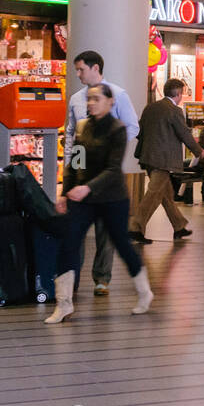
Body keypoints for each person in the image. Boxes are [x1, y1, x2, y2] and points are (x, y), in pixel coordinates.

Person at [46, 83, 152, 323]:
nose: (91, 103)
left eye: (96, 99)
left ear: (110, 102)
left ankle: (145, 292)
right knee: (69, 242)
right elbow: (76, 162)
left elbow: (114, 169)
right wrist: (65, 192)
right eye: (89, 99)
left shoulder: (117, 130)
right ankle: (63, 303)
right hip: (83, 199)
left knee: (122, 245)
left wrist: (88, 187)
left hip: (112, 198)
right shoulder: (83, 127)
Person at [65, 49, 140, 293]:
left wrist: (113, 149)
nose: (78, 74)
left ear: (96, 68)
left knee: (105, 232)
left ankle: (102, 278)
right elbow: (71, 133)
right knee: (75, 228)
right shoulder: (76, 99)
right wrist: (70, 169)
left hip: (107, 175)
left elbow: (132, 126)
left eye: (81, 69)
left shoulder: (118, 95)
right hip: (81, 172)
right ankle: (71, 280)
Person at [129, 78, 203, 242]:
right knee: (154, 193)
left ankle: (179, 227)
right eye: (182, 93)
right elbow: (184, 133)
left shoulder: (150, 108)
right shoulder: (174, 111)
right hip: (162, 160)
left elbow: (139, 131)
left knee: (166, 194)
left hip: (147, 156)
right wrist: (198, 151)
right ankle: (135, 226)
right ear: (178, 93)